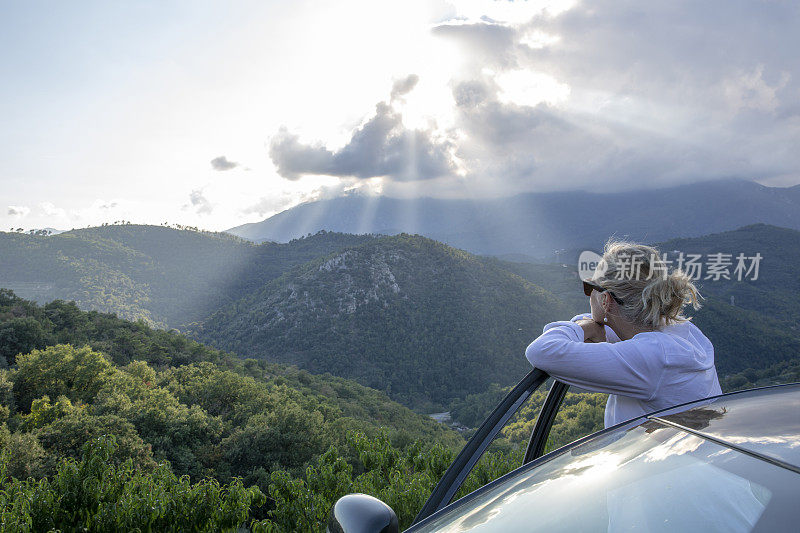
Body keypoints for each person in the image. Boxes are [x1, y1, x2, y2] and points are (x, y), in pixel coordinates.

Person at [525, 239, 721, 428]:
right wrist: (592, 324)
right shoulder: (680, 331)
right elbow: (618, 331)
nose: (588, 294)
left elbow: (541, 350)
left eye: (590, 287)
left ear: (606, 300)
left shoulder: (654, 357)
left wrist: (585, 327)